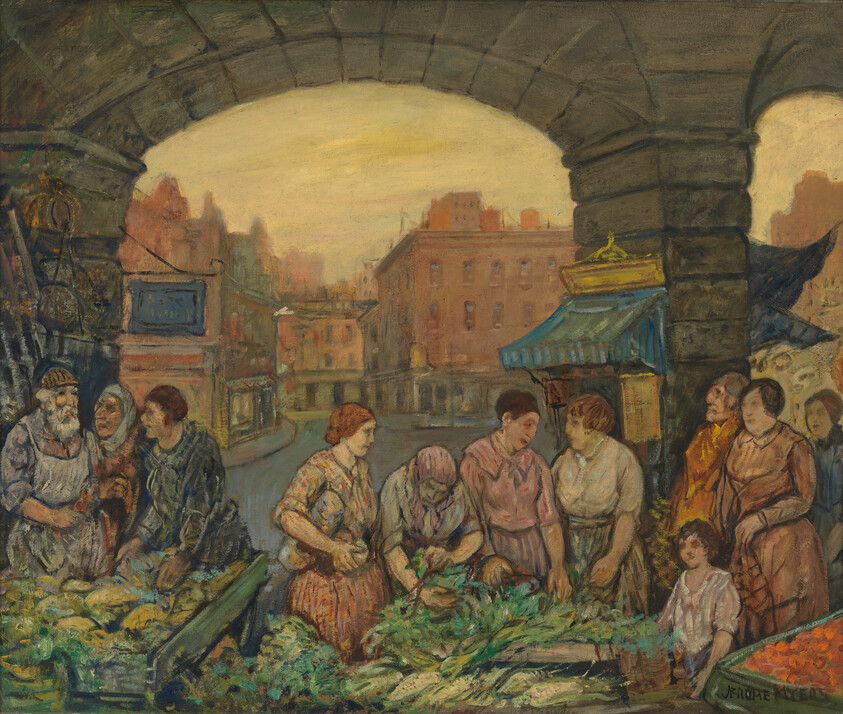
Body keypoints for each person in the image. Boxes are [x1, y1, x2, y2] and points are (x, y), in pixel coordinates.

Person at [274, 403, 390, 661]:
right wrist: (333, 547)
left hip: (361, 580)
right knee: (327, 659)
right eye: (367, 432)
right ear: (347, 431)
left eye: (373, 432)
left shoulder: (362, 470)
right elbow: (288, 516)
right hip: (323, 581)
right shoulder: (318, 467)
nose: (372, 440)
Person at [716, 378, 828, 644]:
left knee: (787, 627)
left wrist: (760, 519)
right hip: (746, 544)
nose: (748, 413)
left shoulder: (794, 443)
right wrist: (723, 526)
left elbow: (803, 498)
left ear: (772, 407)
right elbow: (727, 487)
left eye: (755, 405)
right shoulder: (739, 442)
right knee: (750, 623)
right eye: (744, 406)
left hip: (788, 547)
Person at [116, 385, 252, 591]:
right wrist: (140, 538)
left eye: (151, 413)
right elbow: (160, 505)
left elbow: (199, 512)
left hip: (213, 548)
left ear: (167, 418)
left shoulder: (200, 450)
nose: (143, 420)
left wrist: (184, 556)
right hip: (179, 548)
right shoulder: (158, 452)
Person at [460, 390, 570, 600]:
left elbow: (549, 521)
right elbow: (473, 522)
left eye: (536, 426)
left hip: (534, 553)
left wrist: (557, 567)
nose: (532, 433)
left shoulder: (536, 464)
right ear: (507, 420)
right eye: (527, 424)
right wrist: (489, 559)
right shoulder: (475, 460)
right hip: (494, 554)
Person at [0, 367, 105, 580]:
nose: (70, 402)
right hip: (35, 542)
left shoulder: (87, 438)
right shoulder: (23, 434)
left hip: (81, 544)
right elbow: (14, 493)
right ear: (44, 400)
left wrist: (84, 502)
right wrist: (53, 517)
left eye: (74, 394)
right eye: (61, 394)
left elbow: (95, 483)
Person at [551, 394, 649, 613]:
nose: (567, 430)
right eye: (568, 422)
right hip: (573, 553)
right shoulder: (562, 462)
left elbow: (627, 515)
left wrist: (613, 558)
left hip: (613, 548)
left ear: (595, 426)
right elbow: (552, 518)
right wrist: (558, 564)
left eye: (574, 423)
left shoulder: (622, 459)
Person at [380, 446, 483, 607]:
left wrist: (451, 557)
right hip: (403, 573)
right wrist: (418, 590)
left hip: (441, 573)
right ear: (418, 478)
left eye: (441, 492)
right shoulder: (397, 485)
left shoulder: (457, 491)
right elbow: (391, 548)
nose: (433, 496)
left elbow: (474, 533)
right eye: (429, 487)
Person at [658, 520, 741, 699]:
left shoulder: (720, 582)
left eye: (694, 545)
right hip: (683, 661)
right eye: (683, 546)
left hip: (712, 659)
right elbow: (664, 622)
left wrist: (708, 671)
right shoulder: (681, 582)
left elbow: (724, 632)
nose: (688, 551)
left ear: (707, 548)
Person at [667, 372, 748, 534]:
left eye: (718, 393)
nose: (708, 399)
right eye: (712, 392)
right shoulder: (702, 432)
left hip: (714, 522)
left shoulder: (742, 438)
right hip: (684, 518)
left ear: (733, 401)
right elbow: (684, 480)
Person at [93, 384, 146, 564]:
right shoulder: (87, 454)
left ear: (126, 416)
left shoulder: (138, 461)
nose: (101, 414)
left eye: (110, 409)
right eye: (98, 406)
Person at [804, 389, 843, 611]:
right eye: (810, 414)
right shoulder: (808, 449)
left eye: (820, 412)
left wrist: (839, 529)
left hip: (837, 525)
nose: (814, 419)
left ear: (832, 414)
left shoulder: (841, 449)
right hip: (814, 525)